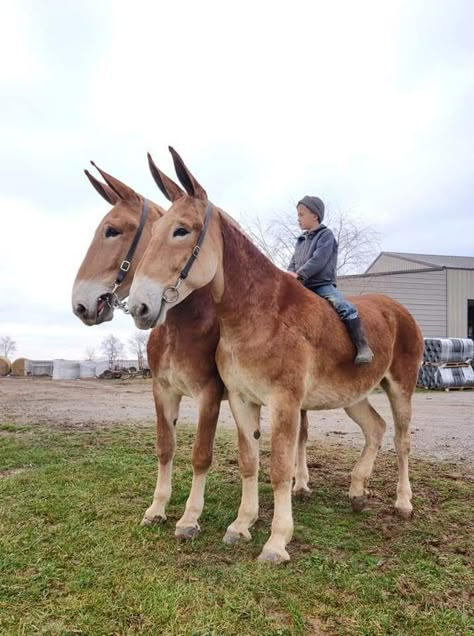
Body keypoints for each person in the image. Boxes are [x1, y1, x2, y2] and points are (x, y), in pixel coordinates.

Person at [288, 195, 374, 364]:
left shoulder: (326, 236)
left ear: (315, 215)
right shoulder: (300, 241)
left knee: (344, 307)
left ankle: (363, 346)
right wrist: (289, 275)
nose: (298, 219)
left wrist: (300, 274)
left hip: (321, 285)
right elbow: (292, 263)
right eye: (298, 214)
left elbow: (319, 259)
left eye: (301, 214)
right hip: (301, 286)